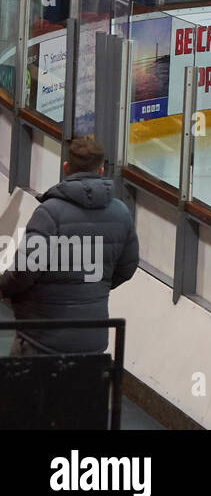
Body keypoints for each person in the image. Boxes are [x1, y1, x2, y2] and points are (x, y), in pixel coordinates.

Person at [0, 136, 139, 356]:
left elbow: (24, 271)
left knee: (20, 387)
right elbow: (127, 267)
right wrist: (95, 286)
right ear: (101, 170)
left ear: (66, 168)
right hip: (93, 340)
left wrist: (3, 287)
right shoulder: (121, 212)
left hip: (41, 340)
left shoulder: (49, 212)